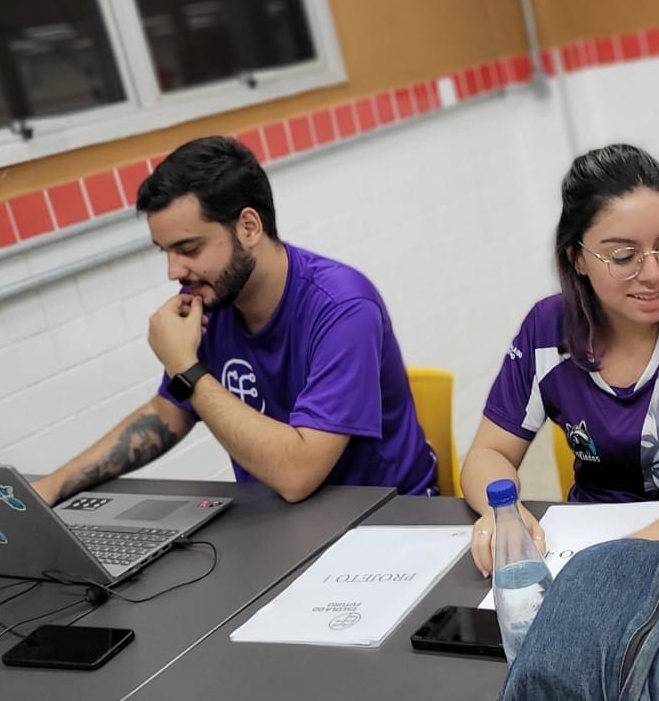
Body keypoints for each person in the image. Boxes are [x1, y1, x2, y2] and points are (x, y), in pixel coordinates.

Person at [32, 136, 436, 505]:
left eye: (189, 248)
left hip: (389, 520)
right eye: (165, 252)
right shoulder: (211, 299)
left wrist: (185, 368)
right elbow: (169, 411)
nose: (175, 271)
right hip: (288, 525)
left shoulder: (343, 306)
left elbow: (298, 474)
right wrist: (53, 485)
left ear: (248, 227)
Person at [463, 143, 659, 575]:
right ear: (576, 258)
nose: (653, 274)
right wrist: (502, 511)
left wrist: (647, 543)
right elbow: (489, 451)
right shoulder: (546, 329)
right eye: (623, 257)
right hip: (589, 545)